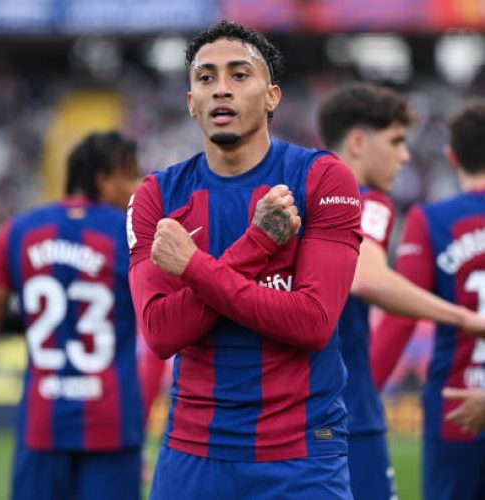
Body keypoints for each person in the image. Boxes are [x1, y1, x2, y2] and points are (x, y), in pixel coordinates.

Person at [127, 21, 363, 499]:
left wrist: (192, 267)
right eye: (206, 78)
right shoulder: (157, 194)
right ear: (191, 102)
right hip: (192, 456)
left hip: (301, 459)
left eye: (239, 75)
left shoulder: (322, 177)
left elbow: (313, 322)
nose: (221, 90)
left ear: (272, 96)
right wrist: (258, 245)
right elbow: (161, 332)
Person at [317, 84, 485, 500]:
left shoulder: (295, 200)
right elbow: (369, 278)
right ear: (358, 143)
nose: (405, 156)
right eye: (396, 141)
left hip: (301, 412)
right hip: (351, 412)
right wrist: (465, 319)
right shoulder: (369, 202)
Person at [0, 131, 156, 500]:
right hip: (113, 425)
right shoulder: (131, 236)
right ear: (102, 179)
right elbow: (157, 336)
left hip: (40, 424)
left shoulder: (16, 232)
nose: (140, 187)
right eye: (132, 175)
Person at [371, 100, 485, 500]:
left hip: (454, 407)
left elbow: (401, 316)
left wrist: (362, 399)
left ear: (452, 156)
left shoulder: (431, 220)